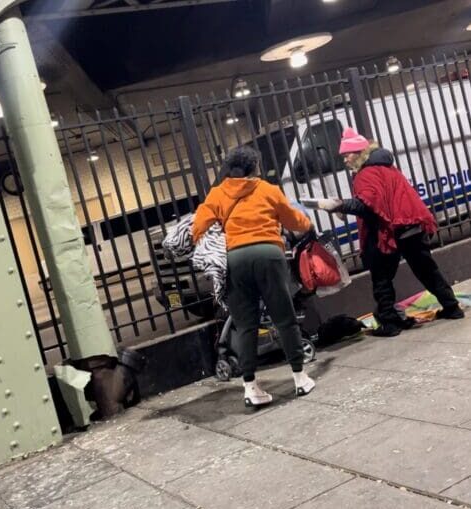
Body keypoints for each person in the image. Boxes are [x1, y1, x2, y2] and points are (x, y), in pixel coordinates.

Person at [192, 145, 315, 407]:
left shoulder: (217, 194)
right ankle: (300, 377)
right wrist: (307, 224)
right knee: (284, 317)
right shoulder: (267, 190)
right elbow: (294, 221)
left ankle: (250, 387)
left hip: (235, 259)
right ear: (255, 167)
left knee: (245, 324)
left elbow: (198, 229)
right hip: (269, 254)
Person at [317, 127, 463, 337]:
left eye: (347, 154)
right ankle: (452, 307)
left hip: (395, 229)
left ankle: (389, 322)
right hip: (413, 223)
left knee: (381, 275)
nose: (345, 159)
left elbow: (368, 205)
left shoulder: (366, 173)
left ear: (359, 153)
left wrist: (338, 205)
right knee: (427, 269)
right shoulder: (386, 166)